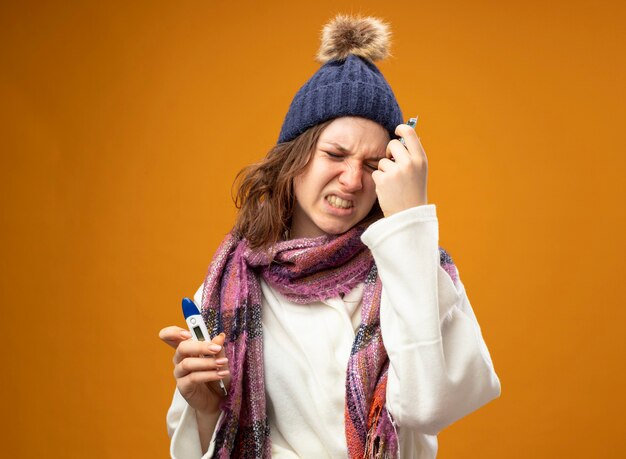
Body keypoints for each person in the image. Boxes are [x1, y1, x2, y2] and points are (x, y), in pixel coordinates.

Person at [159, 14, 501, 459]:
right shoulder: (229, 285)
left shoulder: (417, 268)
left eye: (375, 164)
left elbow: (429, 407)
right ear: (295, 156)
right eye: (335, 154)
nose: (353, 180)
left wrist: (411, 220)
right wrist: (207, 412)